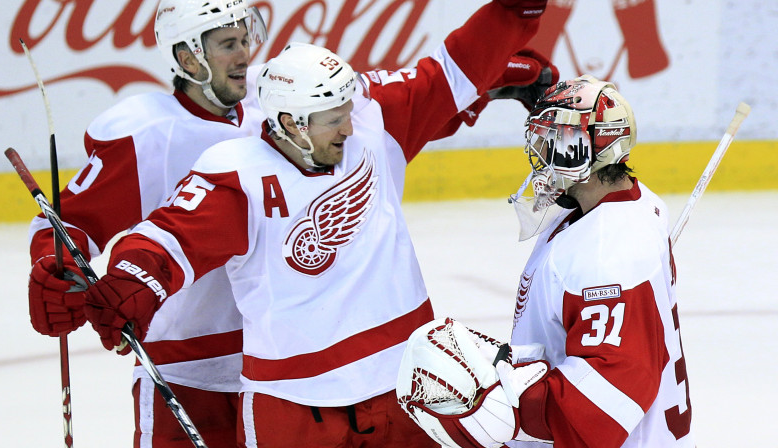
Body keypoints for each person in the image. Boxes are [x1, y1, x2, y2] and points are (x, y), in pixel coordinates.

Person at [77, 1, 551, 446]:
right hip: (293, 403)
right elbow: (170, 238)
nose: (350, 126)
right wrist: (131, 282)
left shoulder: (366, 119)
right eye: (333, 119)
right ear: (292, 122)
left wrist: (512, 13)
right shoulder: (238, 172)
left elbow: (444, 73)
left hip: (402, 386)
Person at [402, 75, 695, 448]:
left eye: (548, 139)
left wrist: (505, 406)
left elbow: (606, 405)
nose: (537, 151)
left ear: (577, 151)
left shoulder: (610, 256)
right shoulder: (627, 205)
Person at [27, 1, 268, 446]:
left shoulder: (273, 114)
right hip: (184, 373)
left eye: (245, 39)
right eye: (228, 44)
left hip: (275, 369)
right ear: (188, 58)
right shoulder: (150, 135)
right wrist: (55, 267)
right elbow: (68, 224)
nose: (244, 55)